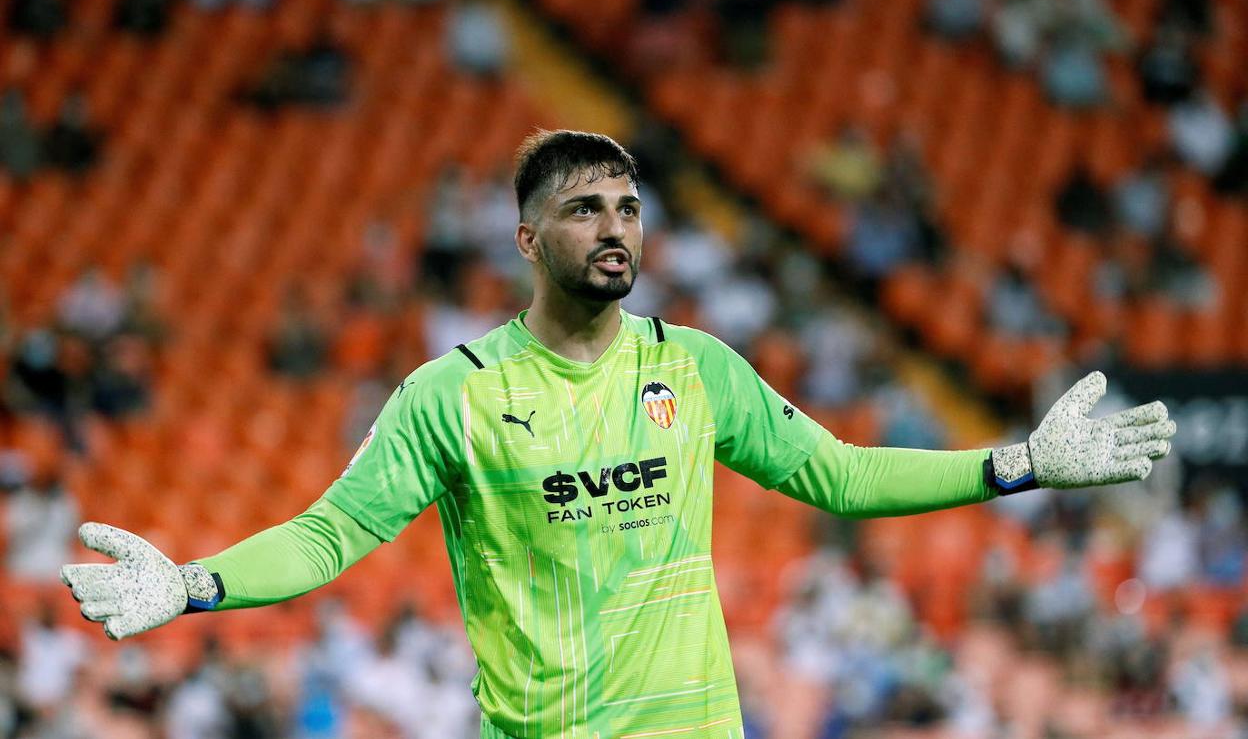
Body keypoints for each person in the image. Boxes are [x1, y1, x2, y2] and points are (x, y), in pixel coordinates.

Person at [61, 130, 1177, 738]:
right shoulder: (452, 391)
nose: (614, 226)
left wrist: (1019, 460)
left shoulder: (693, 366)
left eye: (629, 206)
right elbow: (329, 535)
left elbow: (838, 473)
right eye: (586, 207)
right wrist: (197, 582)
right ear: (526, 237)